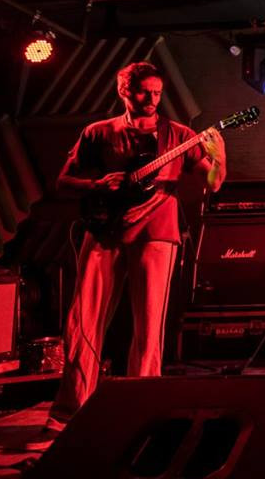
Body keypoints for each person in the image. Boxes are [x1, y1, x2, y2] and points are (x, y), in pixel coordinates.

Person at [47, 61, 227, 430]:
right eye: (145, 92)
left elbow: (213, 182)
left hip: (157, 230)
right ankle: (70, 412)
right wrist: (97, 185)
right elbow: (63, 181)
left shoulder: (179, 135)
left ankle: (141, 411)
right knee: (83, 323)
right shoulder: (99, 132)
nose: (152, 99)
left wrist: (220, 157)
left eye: (158, 93)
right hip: (104, 230)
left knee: (149, 327)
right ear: (124, 90)